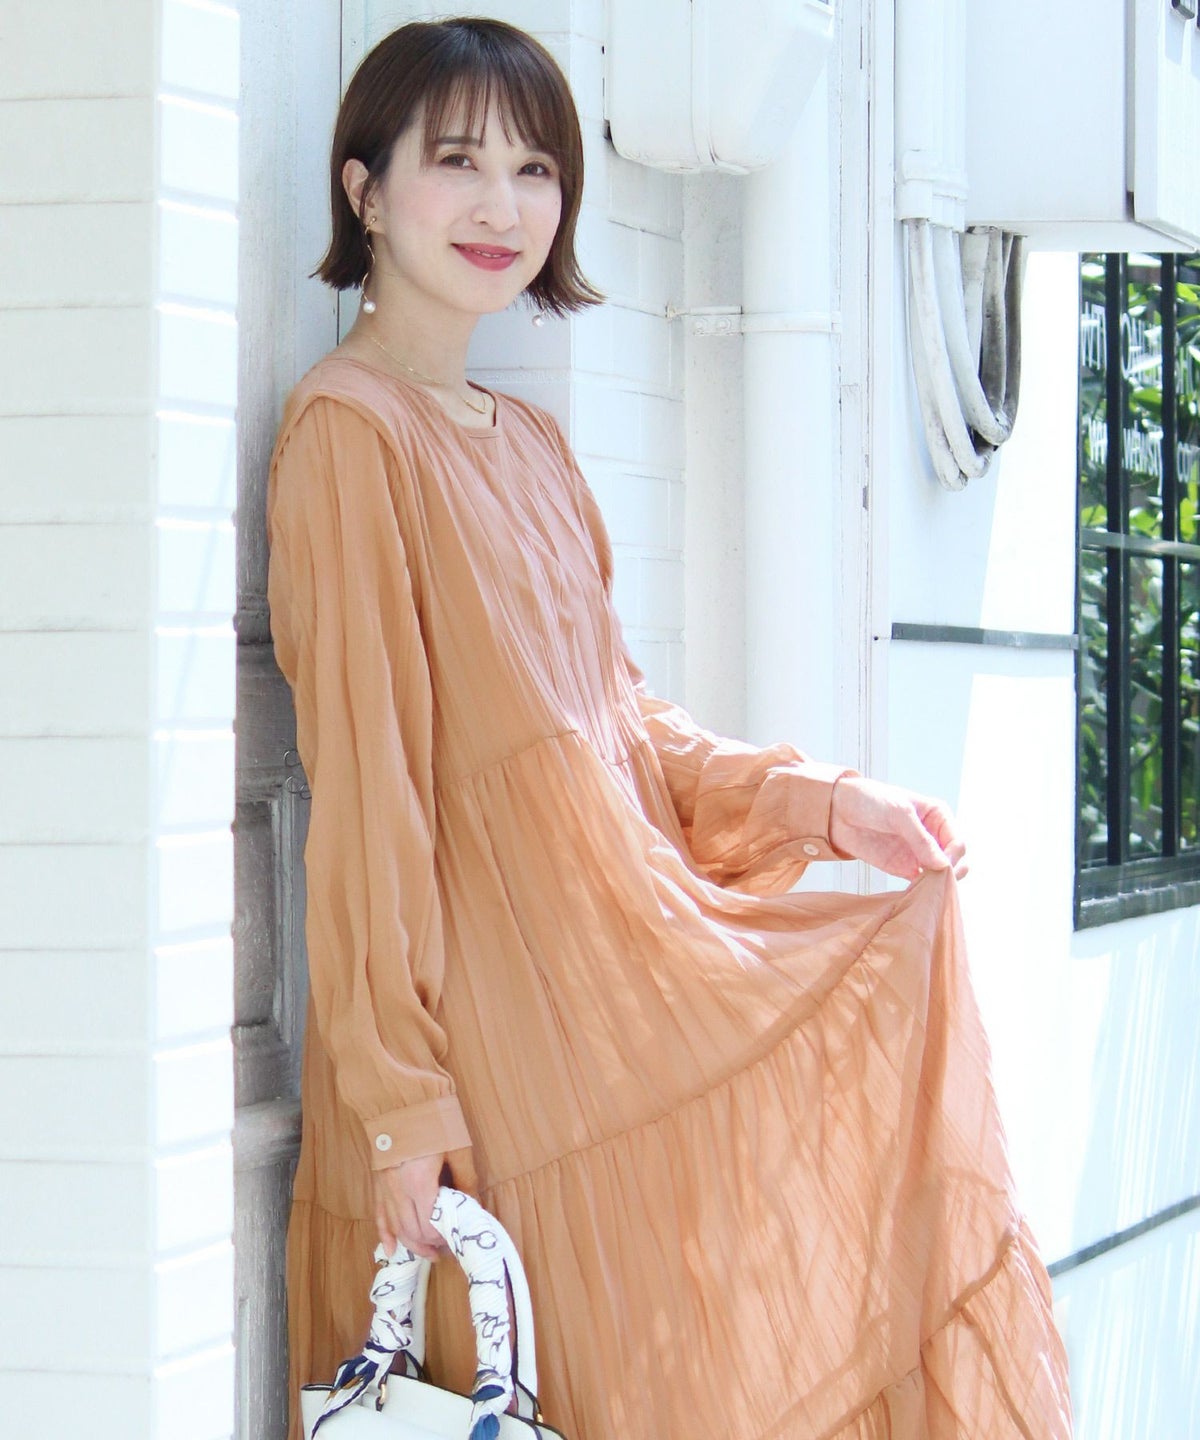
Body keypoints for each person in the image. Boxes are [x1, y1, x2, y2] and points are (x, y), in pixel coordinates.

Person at [266, 17, 1072, 1440]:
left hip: (596, 1023)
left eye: (535, 169)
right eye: (456, 162)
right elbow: (370, 792)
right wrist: (397, 1100)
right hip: (481, 1064)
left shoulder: (530, 444)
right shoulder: (350, 435)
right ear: (363, 190)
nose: (503, 205)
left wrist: (826, 805)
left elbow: (618, 729)